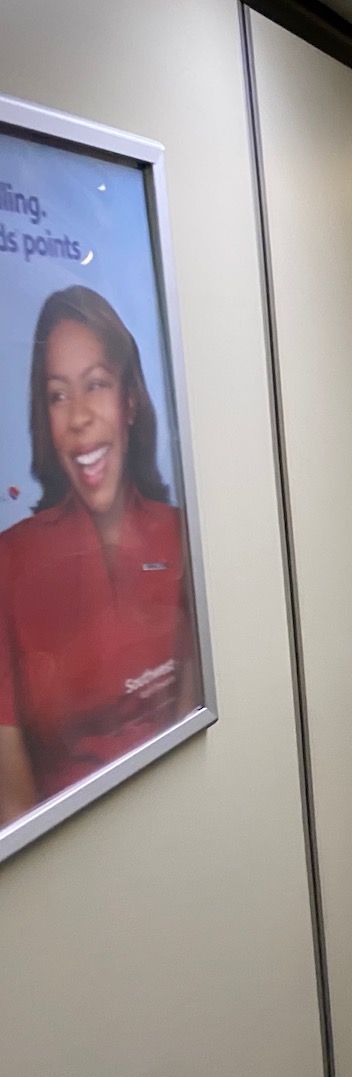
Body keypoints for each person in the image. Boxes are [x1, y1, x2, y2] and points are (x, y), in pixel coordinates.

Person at [0, 286, 196, 825]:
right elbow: (10, 805)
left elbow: (196, 725)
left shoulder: (183, 536)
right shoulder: (9, 563)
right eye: (59, 395)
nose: (79, 416)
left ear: (130, 401)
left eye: (97, 386)